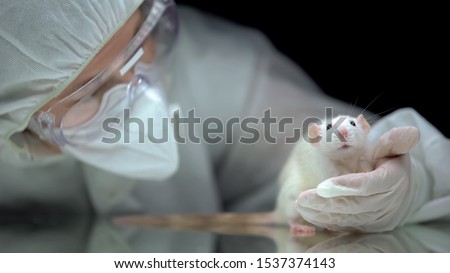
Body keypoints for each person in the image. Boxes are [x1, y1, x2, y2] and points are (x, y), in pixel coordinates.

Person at [0, 0, 449, 237]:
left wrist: (405, 182)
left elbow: (321, 155)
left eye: (143, 37)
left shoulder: (223, 75)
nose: (140, 87)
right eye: (93, 89)